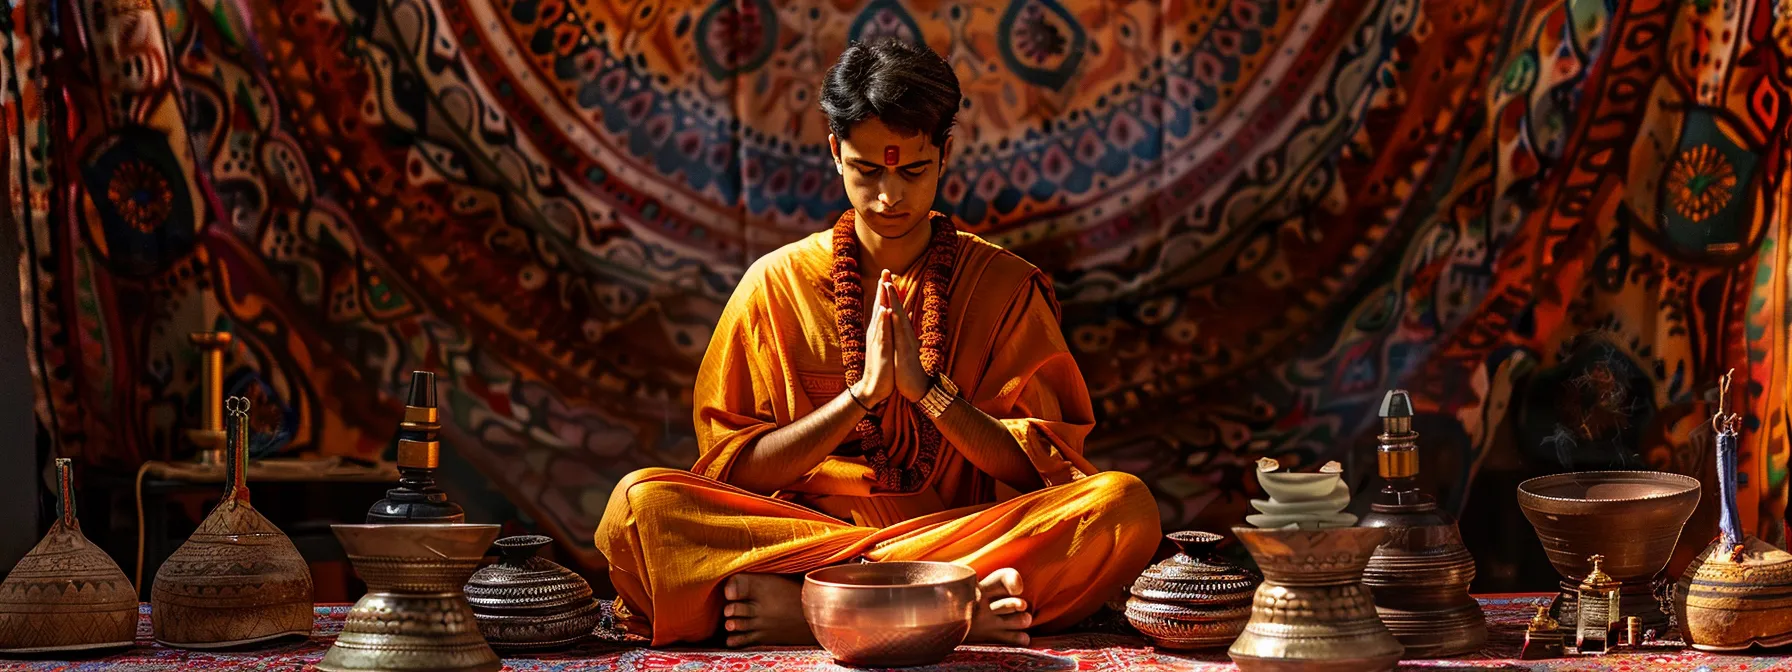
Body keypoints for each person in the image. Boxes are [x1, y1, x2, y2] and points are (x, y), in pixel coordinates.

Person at [594, 38, 1161, 649]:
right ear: (835, 153)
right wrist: (859, 399)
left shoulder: (1003, 287)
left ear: (945, 155)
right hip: (810, 540)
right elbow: (738, 473)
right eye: (868, 169)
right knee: (640, 506)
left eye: (913, 169)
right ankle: (951, 606)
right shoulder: (774, 285)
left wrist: (929, 393)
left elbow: (1041, 468)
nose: (890, 196)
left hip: (956, 533)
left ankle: (821, 612)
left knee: (1121, 506)